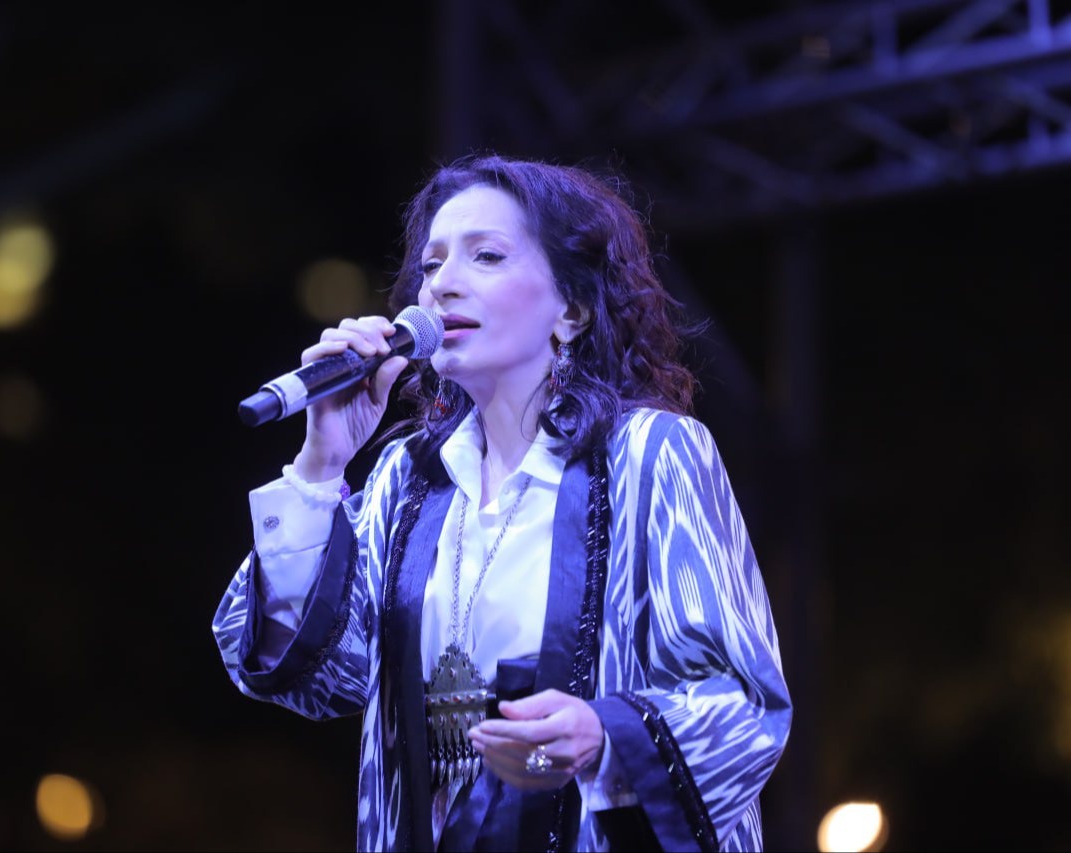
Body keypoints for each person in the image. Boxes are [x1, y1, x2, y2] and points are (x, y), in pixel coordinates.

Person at [212, 153, 792, 852]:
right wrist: (321, 466)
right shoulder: (405, 479)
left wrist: (604, 734)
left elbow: (742, 701)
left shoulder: (649, 454)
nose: (443, 285)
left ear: (571, 310)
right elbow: (307, 672)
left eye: (485, 256)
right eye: (431, 265)